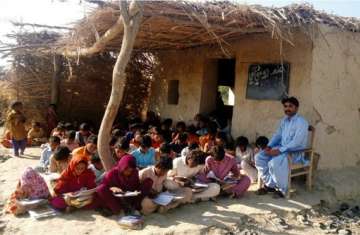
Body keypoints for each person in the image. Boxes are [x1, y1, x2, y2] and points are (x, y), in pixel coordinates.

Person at [255, 97, 309, 198]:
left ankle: (282, 189)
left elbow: (296, 142)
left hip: (294, 153)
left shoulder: (302, 122)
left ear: (296, 108)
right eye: (285, 106)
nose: (287, 108)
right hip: (281, 149)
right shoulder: (284, 121)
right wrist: (269, 146)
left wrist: (279, 150)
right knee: (259, 157)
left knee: (274, 162)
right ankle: (270, 185)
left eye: (290, 106)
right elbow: (278, 135)